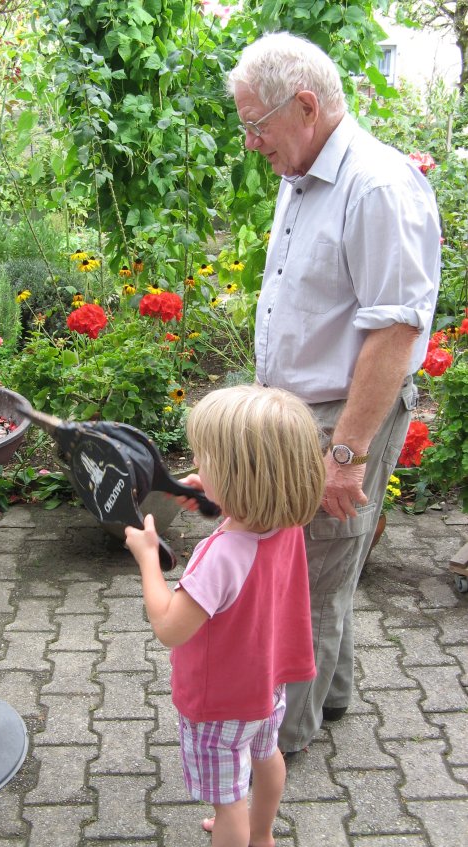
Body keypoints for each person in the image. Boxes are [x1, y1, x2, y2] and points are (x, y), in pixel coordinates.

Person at [225, 32, 441, 754]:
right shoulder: (303, 171)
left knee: (306, 584)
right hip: (298, 416)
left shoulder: (376, 186)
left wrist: (345, 454)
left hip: (339, 420)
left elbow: (392, 335)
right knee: (322, 565)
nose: (250, 140)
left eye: (255, 123)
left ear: (305, 106)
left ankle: (275, 745)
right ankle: (333, 695)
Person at [124, 385, 326, 847]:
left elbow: (170, 627)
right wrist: (214, 498)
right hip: (266, 685)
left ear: (240, 479)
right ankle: (262, 833)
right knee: (267, 755)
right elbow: (249, 550)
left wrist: (149, 559)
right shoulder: (283, 522)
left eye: (205, 461)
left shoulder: (218, 559)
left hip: (220, 702)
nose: (197, 465)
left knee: (228, 799)